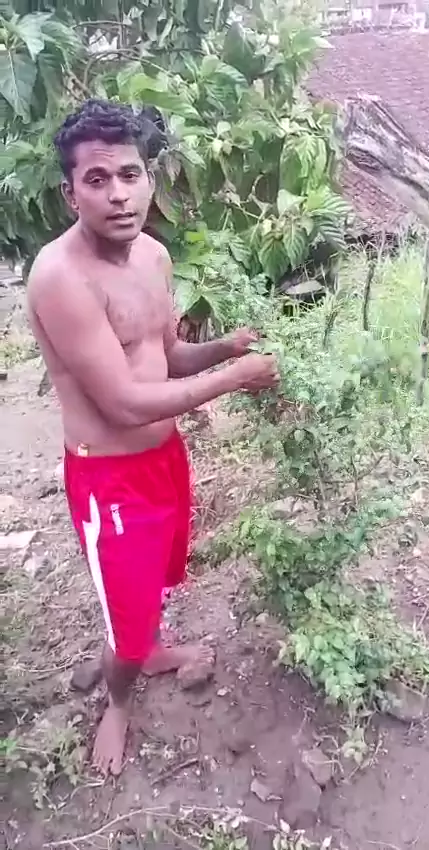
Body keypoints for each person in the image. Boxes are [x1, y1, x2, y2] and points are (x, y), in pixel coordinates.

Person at [27, 99, 280, 777]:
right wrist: (235, 379)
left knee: (153, 585)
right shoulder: (60, 277)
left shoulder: (155, 256)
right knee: (126, 619)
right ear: (70, 193)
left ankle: (150, 645)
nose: (118, 194)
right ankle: (117, 700)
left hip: (164, 460)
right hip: (109, 482)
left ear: (149, 179)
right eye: (97, 179)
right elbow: (122, 403)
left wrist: (224, 349)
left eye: (130, 174)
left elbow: (164, 358)